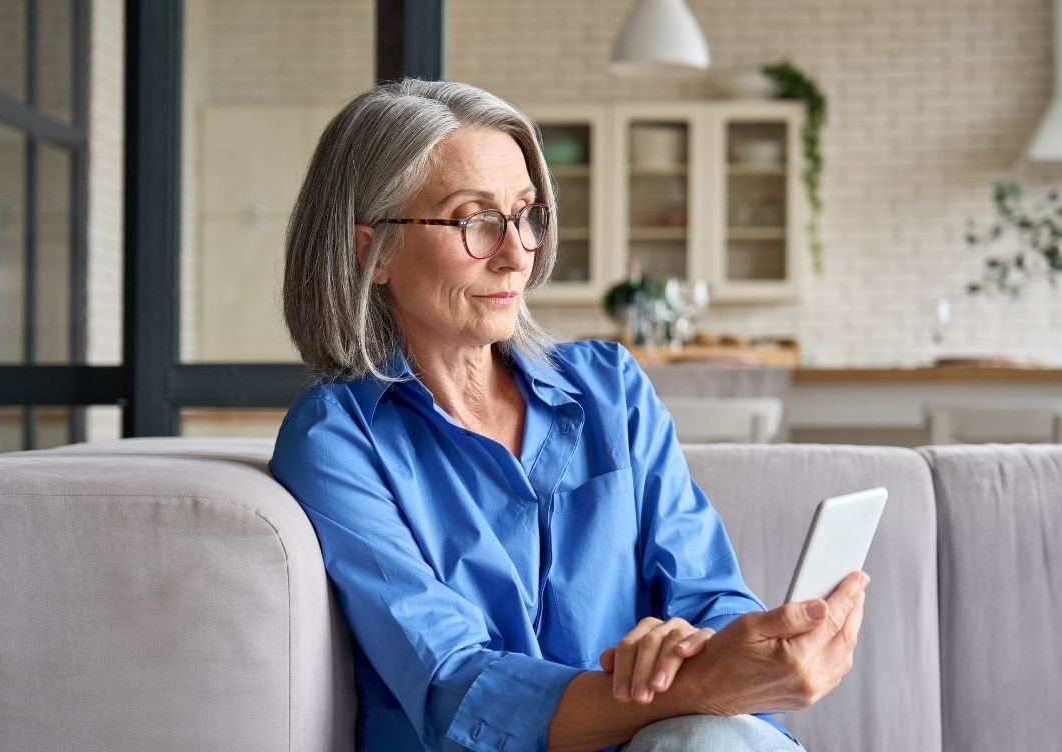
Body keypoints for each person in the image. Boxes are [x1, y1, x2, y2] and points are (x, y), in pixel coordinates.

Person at [268, 79, 867, 752]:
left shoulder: (608, 388)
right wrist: (696, 686)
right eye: (474, 220)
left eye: (526, 214)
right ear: (368, 251)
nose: (517, 251)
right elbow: (455, 688)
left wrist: (706, 650)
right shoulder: (339, 439)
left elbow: (708, 593)